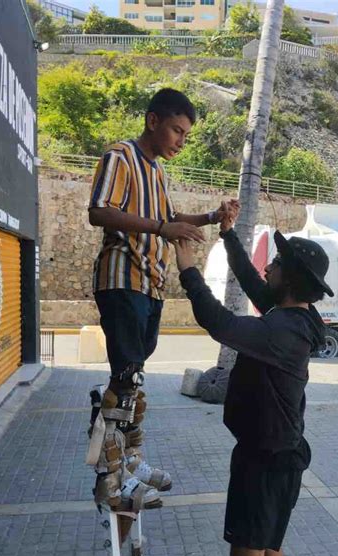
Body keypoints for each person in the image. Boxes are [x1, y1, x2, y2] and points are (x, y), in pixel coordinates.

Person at [174, 213, 333, 556]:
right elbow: (248, 279)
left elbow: (218, 322)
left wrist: (187, 266)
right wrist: (227, 234)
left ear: (292, 278)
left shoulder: (280, 331)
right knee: (267, 549)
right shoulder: (296, 317)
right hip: (282, 455)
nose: (268, 267)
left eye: (276, 263)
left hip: (264, 460)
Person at [87, 88, 237, 509]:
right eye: (176, 130)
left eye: (186, 135)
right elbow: (99, 210)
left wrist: (211, 217)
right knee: (123, 384)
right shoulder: (120, 156)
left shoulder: (155, 171)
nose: (180, 140)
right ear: (153, 121)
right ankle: (111, 481)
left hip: (150, 284)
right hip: (123, 279)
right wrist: (159, 228)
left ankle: (129, 462)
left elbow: (171, 220)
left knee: (134, 382)